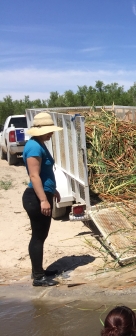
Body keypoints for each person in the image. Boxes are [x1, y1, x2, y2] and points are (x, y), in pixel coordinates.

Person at [22, 112, 63, 287]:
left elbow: (45, 175)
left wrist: (52, 191)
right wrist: (43, 200)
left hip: (42, 194)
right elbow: (34, 175)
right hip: (35, 197)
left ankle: (38, 270)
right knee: (38, 236)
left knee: (41, 235)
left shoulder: (39, 144)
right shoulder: (33, 147)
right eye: (48, 131)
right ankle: (38, 277)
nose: (51, 134)